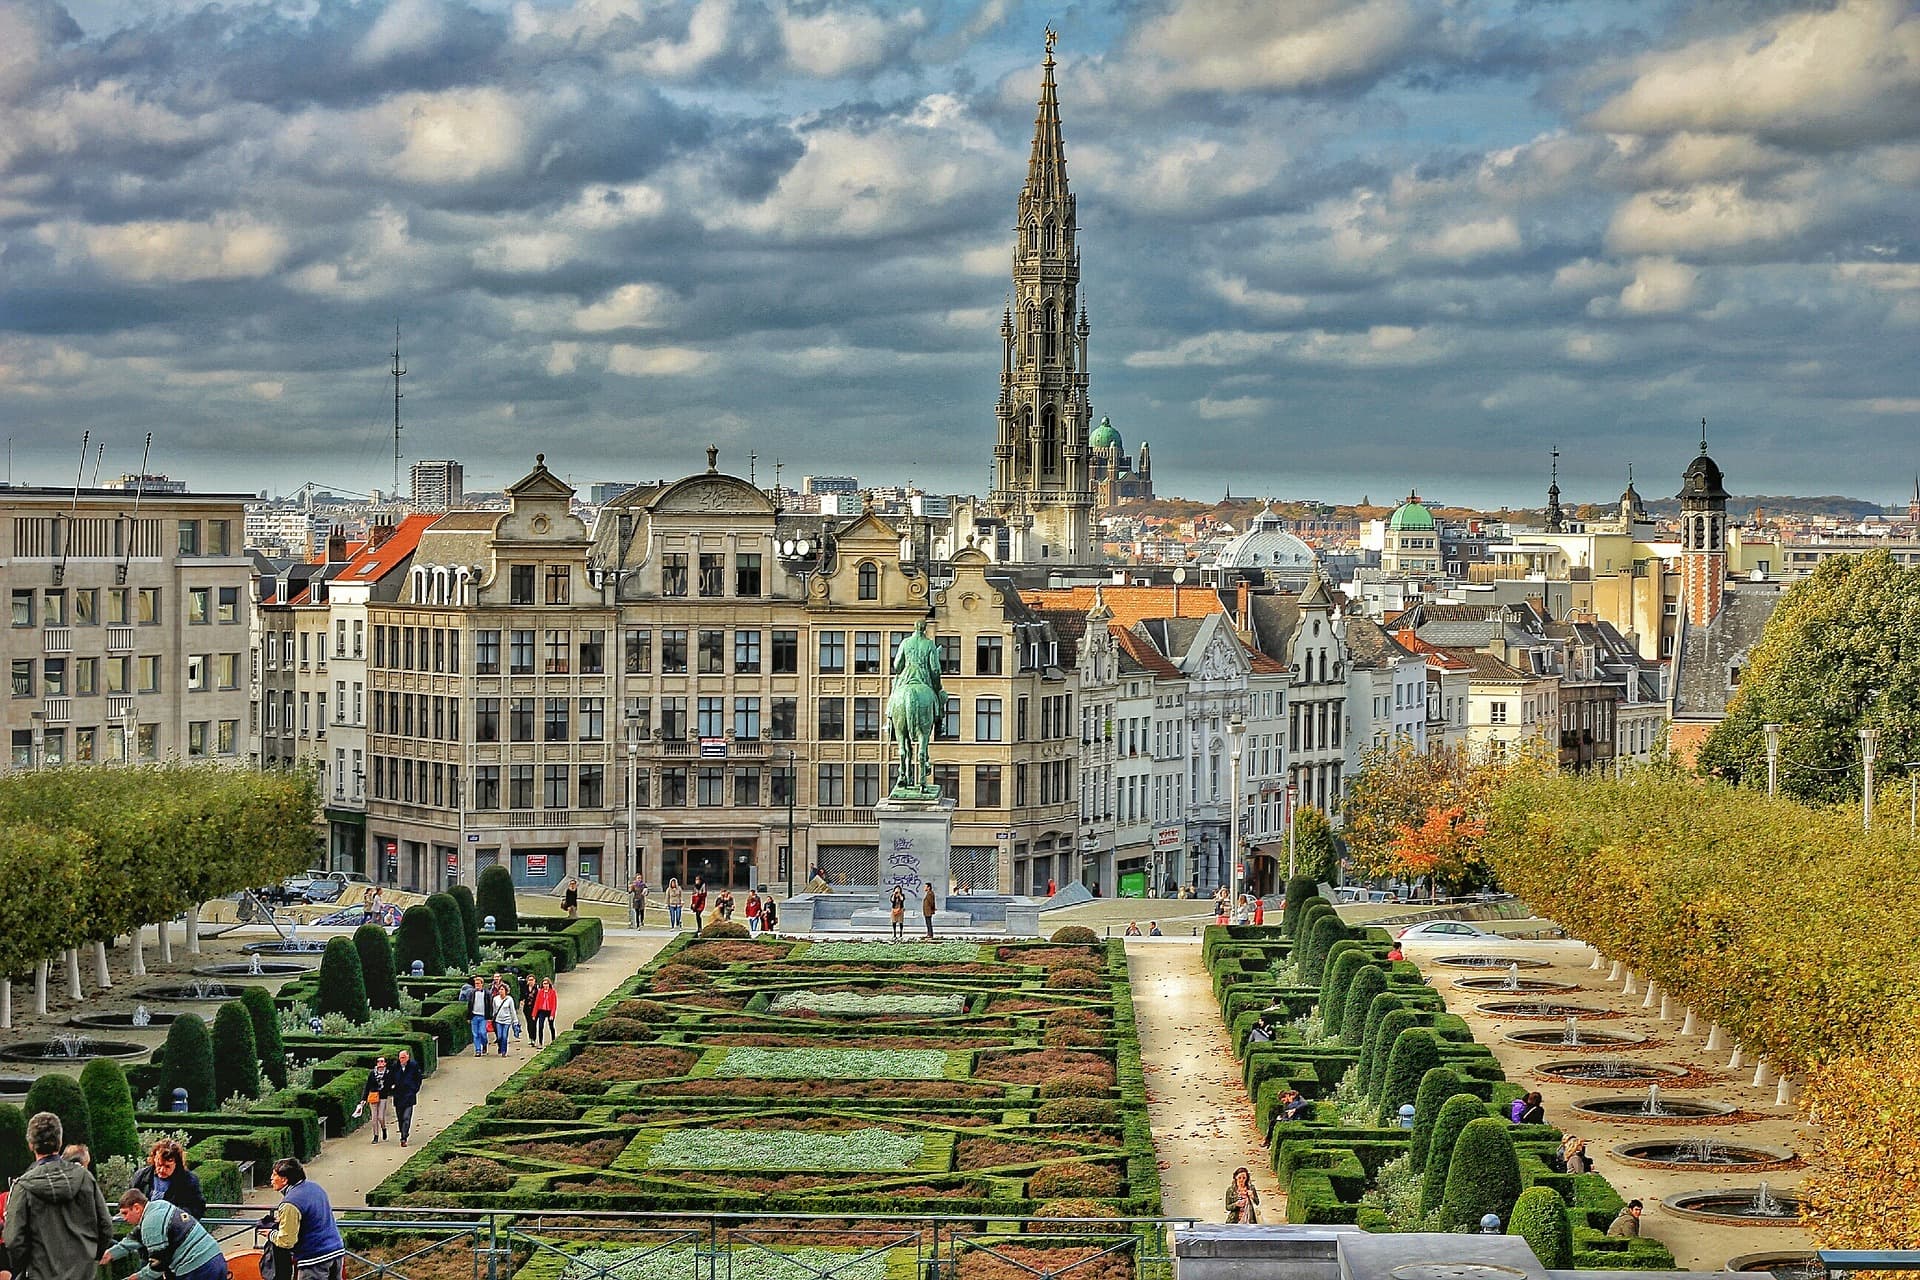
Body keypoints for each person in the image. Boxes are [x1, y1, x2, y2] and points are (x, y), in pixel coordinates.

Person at [4, 1111, 114, 1280]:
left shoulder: (23, 1187)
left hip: (40, 1273)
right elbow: (105, 1226)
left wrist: (26, 1267)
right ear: (60, 1141)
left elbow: (13, 1240)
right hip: (82, 1273)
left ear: (31, 1145)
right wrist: (91, 1258)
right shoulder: (84, 1178)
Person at [103, 1190, 227, 1280]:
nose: (124, 1218)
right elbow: (134, 1238)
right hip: (215, 1258)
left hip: (197, 1268)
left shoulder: (150, 1223)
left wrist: (135, 1277)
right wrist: (109, 1254)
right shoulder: (158, 1206)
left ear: (136, 1208)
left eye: (125, 1213)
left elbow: (158, 1266)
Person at [262, 1159, 345, 1280]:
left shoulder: (290, 1203)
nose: (271, 1178)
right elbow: (313, 1216)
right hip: (336, 1251)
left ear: (285, 1180)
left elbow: (287, 1241)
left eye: (274, 1175)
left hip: (314, 1259)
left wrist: (271, 1234)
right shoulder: (315, 1187)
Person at [129, 1139, 207, 1222]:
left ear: (177, 1164)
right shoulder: (141, 1176)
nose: (162, 1170)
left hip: (175, 1230)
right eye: (159, 1165)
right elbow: (129, 1201)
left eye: (167, 1166)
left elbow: (197, 1208)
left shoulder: (189, 1181)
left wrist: (176, 1218)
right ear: (154, 1159)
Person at [390, 1048, 423, 1147]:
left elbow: (418, 1079)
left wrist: (414, 1090)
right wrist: (392, 1088)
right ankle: (403, 1132)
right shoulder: (395, 1067)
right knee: (400, 1118)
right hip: (398, 1096)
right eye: (400, 1058)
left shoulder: (413, 1066)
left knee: (406, 1117)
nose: (402, 1060)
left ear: (408, 1057)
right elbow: (390, 1078)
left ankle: (404, 1137)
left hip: (409, 1096)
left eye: (403, 1057)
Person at [362, 1055, 393, 1142]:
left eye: (382, 1061)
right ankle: (375, 1136)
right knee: (374, 1117)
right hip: (373, 1096)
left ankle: (383, 1128)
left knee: (380, 1117)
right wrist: (364, 1099)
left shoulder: (388, 1073)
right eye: (378, 1061)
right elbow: (367, 1086)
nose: (380, 1063)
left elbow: (390, 1084)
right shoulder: (372, 1073)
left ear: (385, 1063)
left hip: (383, 1096)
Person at [491, 977, 519, 1053]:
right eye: (500, 989)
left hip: (507, 1020)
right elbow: (494, 1009)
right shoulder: (495, 999)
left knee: (504, 1036)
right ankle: (500, 1047)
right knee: (499, 1037)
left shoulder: (509, 999)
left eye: (502, 989)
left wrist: (515, 1021)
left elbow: (512, 1011)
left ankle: (504, 1051)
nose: (501, 991)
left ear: (506, 991)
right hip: (498, 1020)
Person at [466, 972, 492, 1056]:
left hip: (483, 1016)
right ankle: (477, 1050)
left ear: (482, 984)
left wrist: (490, 1017)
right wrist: (469, 1017)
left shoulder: (487, 993)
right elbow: (469, 1005)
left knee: (482, 1033)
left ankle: (484, 1044)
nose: (476, 985)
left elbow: (490, 1005)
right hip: (474, 1016)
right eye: (475, 983)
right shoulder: (472, 993)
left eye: (478, 983)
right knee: (475, 1034)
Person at [531, 977, 558, 1046]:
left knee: (551, 1026)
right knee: (540, 1026)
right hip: (542, 1011)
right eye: (544, 984)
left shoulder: (553, 992)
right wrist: (534, 1014)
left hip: (549, 1011)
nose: (545, 985)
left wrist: (552, 1014)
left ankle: (553, 1039)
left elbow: (554, 1004)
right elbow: (536, 1003)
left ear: (549, 984)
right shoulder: (540, 992)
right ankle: (540, 1042)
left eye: (547, 984)